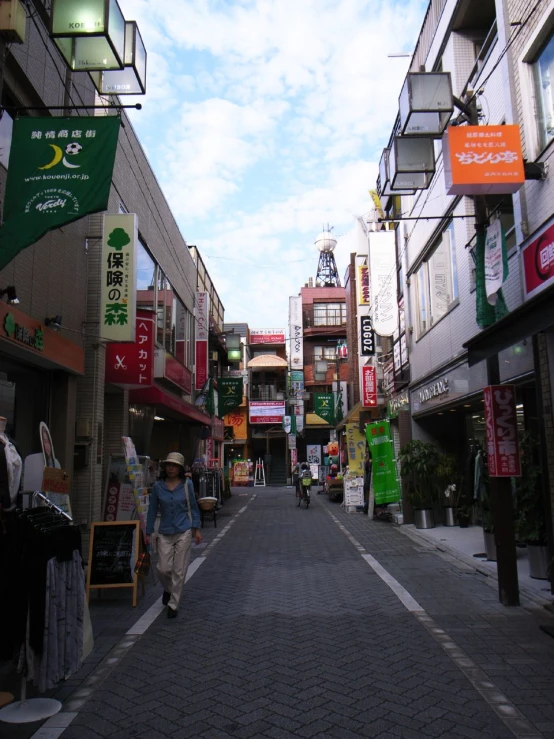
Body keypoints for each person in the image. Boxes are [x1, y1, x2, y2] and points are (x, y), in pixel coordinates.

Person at [145, 452, 202, 619]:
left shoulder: (187, 485)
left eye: (174, 466)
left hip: (183, 530)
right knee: (162, 569)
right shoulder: (158, 487)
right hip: (164, 532)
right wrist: (148, 531)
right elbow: (153, 509)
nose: (171, 468)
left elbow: (193, 506)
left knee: (179, 569)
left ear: (180, 469)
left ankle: (173, 604)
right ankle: (169, 589)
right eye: (169, 465)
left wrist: (196, 529)